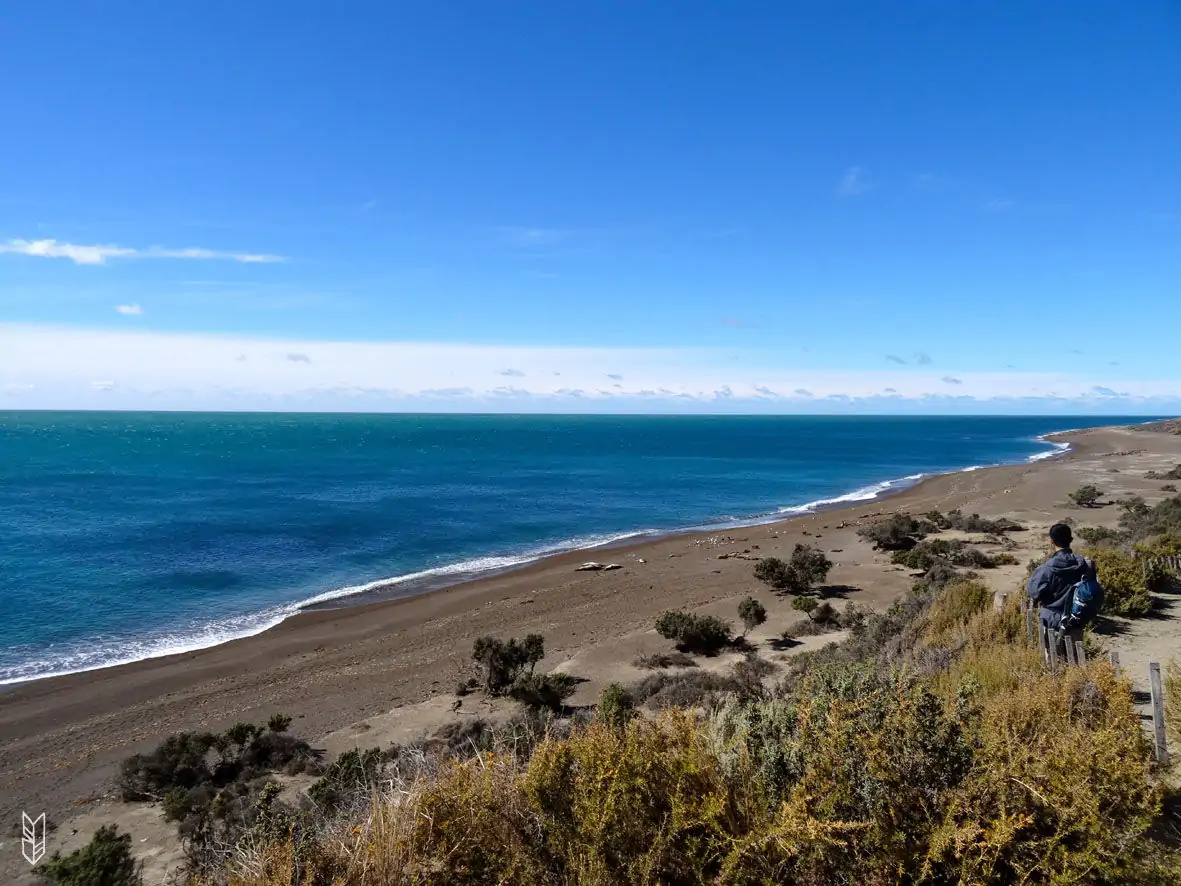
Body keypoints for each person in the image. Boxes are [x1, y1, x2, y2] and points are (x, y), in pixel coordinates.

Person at [1026, 523, 1097, 654]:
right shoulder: (1084, 564)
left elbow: (1033, 592)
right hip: (1076, 618)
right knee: (1074, 660)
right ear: (1070, 540)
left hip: (1051, 620)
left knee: (1052, 659)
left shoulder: (1047, 568)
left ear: (1051, 541)